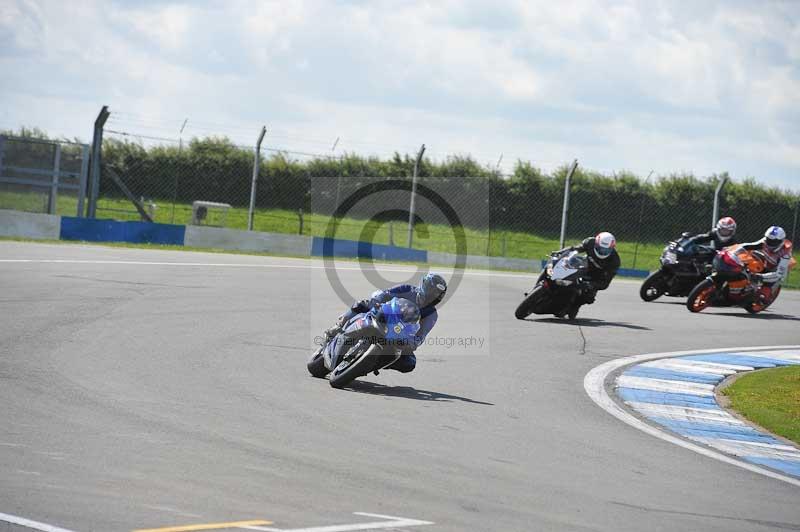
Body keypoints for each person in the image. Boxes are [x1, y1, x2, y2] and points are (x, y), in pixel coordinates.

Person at [324, 273, 447, 373]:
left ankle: (373, 364)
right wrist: (377, 300)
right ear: (424, 286)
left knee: (409, 363)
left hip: (399, 335)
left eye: (437, 294)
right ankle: (339, 326)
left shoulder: (432, 314)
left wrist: (411, 343)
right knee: (362, 304)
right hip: (384, 316)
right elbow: (385, 294)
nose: (433, 295)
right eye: (431, 290)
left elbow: (421, 335)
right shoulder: (407, 289)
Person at [554, 232, 620, 315]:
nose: (602, 252)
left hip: (597, 276)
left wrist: (592, 285)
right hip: (584, 265)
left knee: (589, 297)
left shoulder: (615, 261)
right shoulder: (590, 242)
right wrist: (560, 252)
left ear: (612, 248)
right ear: (596, 243)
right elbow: (575, 249)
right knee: (564, 268)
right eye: (600, 248)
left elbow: (605, 283)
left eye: (606, 250)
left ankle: (575, 306)